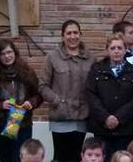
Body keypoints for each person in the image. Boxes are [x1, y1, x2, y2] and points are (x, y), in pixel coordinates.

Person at [40, 19, 94, 162]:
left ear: (80, 34)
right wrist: (57, 101)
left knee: (77, 157)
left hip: (82, 115)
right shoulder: (52, 57)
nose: (72, 36)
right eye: (68, 33)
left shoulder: (90, 58)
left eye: (75, 32)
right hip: (60, 116)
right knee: (60, 157)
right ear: (62, 36)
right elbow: (42, 85)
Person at [86, 34, 133, 160]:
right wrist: (106, 117)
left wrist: (118, 118)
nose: (116, 51)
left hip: (126, 128)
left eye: (119, 48)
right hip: (102, 128)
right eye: (112, 48)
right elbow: (91, 95)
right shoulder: (96, 69)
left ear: (125, 49)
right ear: (107, 50)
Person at [0, 39, 43, 162]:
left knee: (21, 159)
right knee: (5, 159)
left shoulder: (27, 72)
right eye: (2, 54)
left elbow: (39, 95)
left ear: (15, 52)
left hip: (23, 125)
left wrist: (31, 103)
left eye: (9, 52)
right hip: (0, 125)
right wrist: (0, 105)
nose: (7, 56)